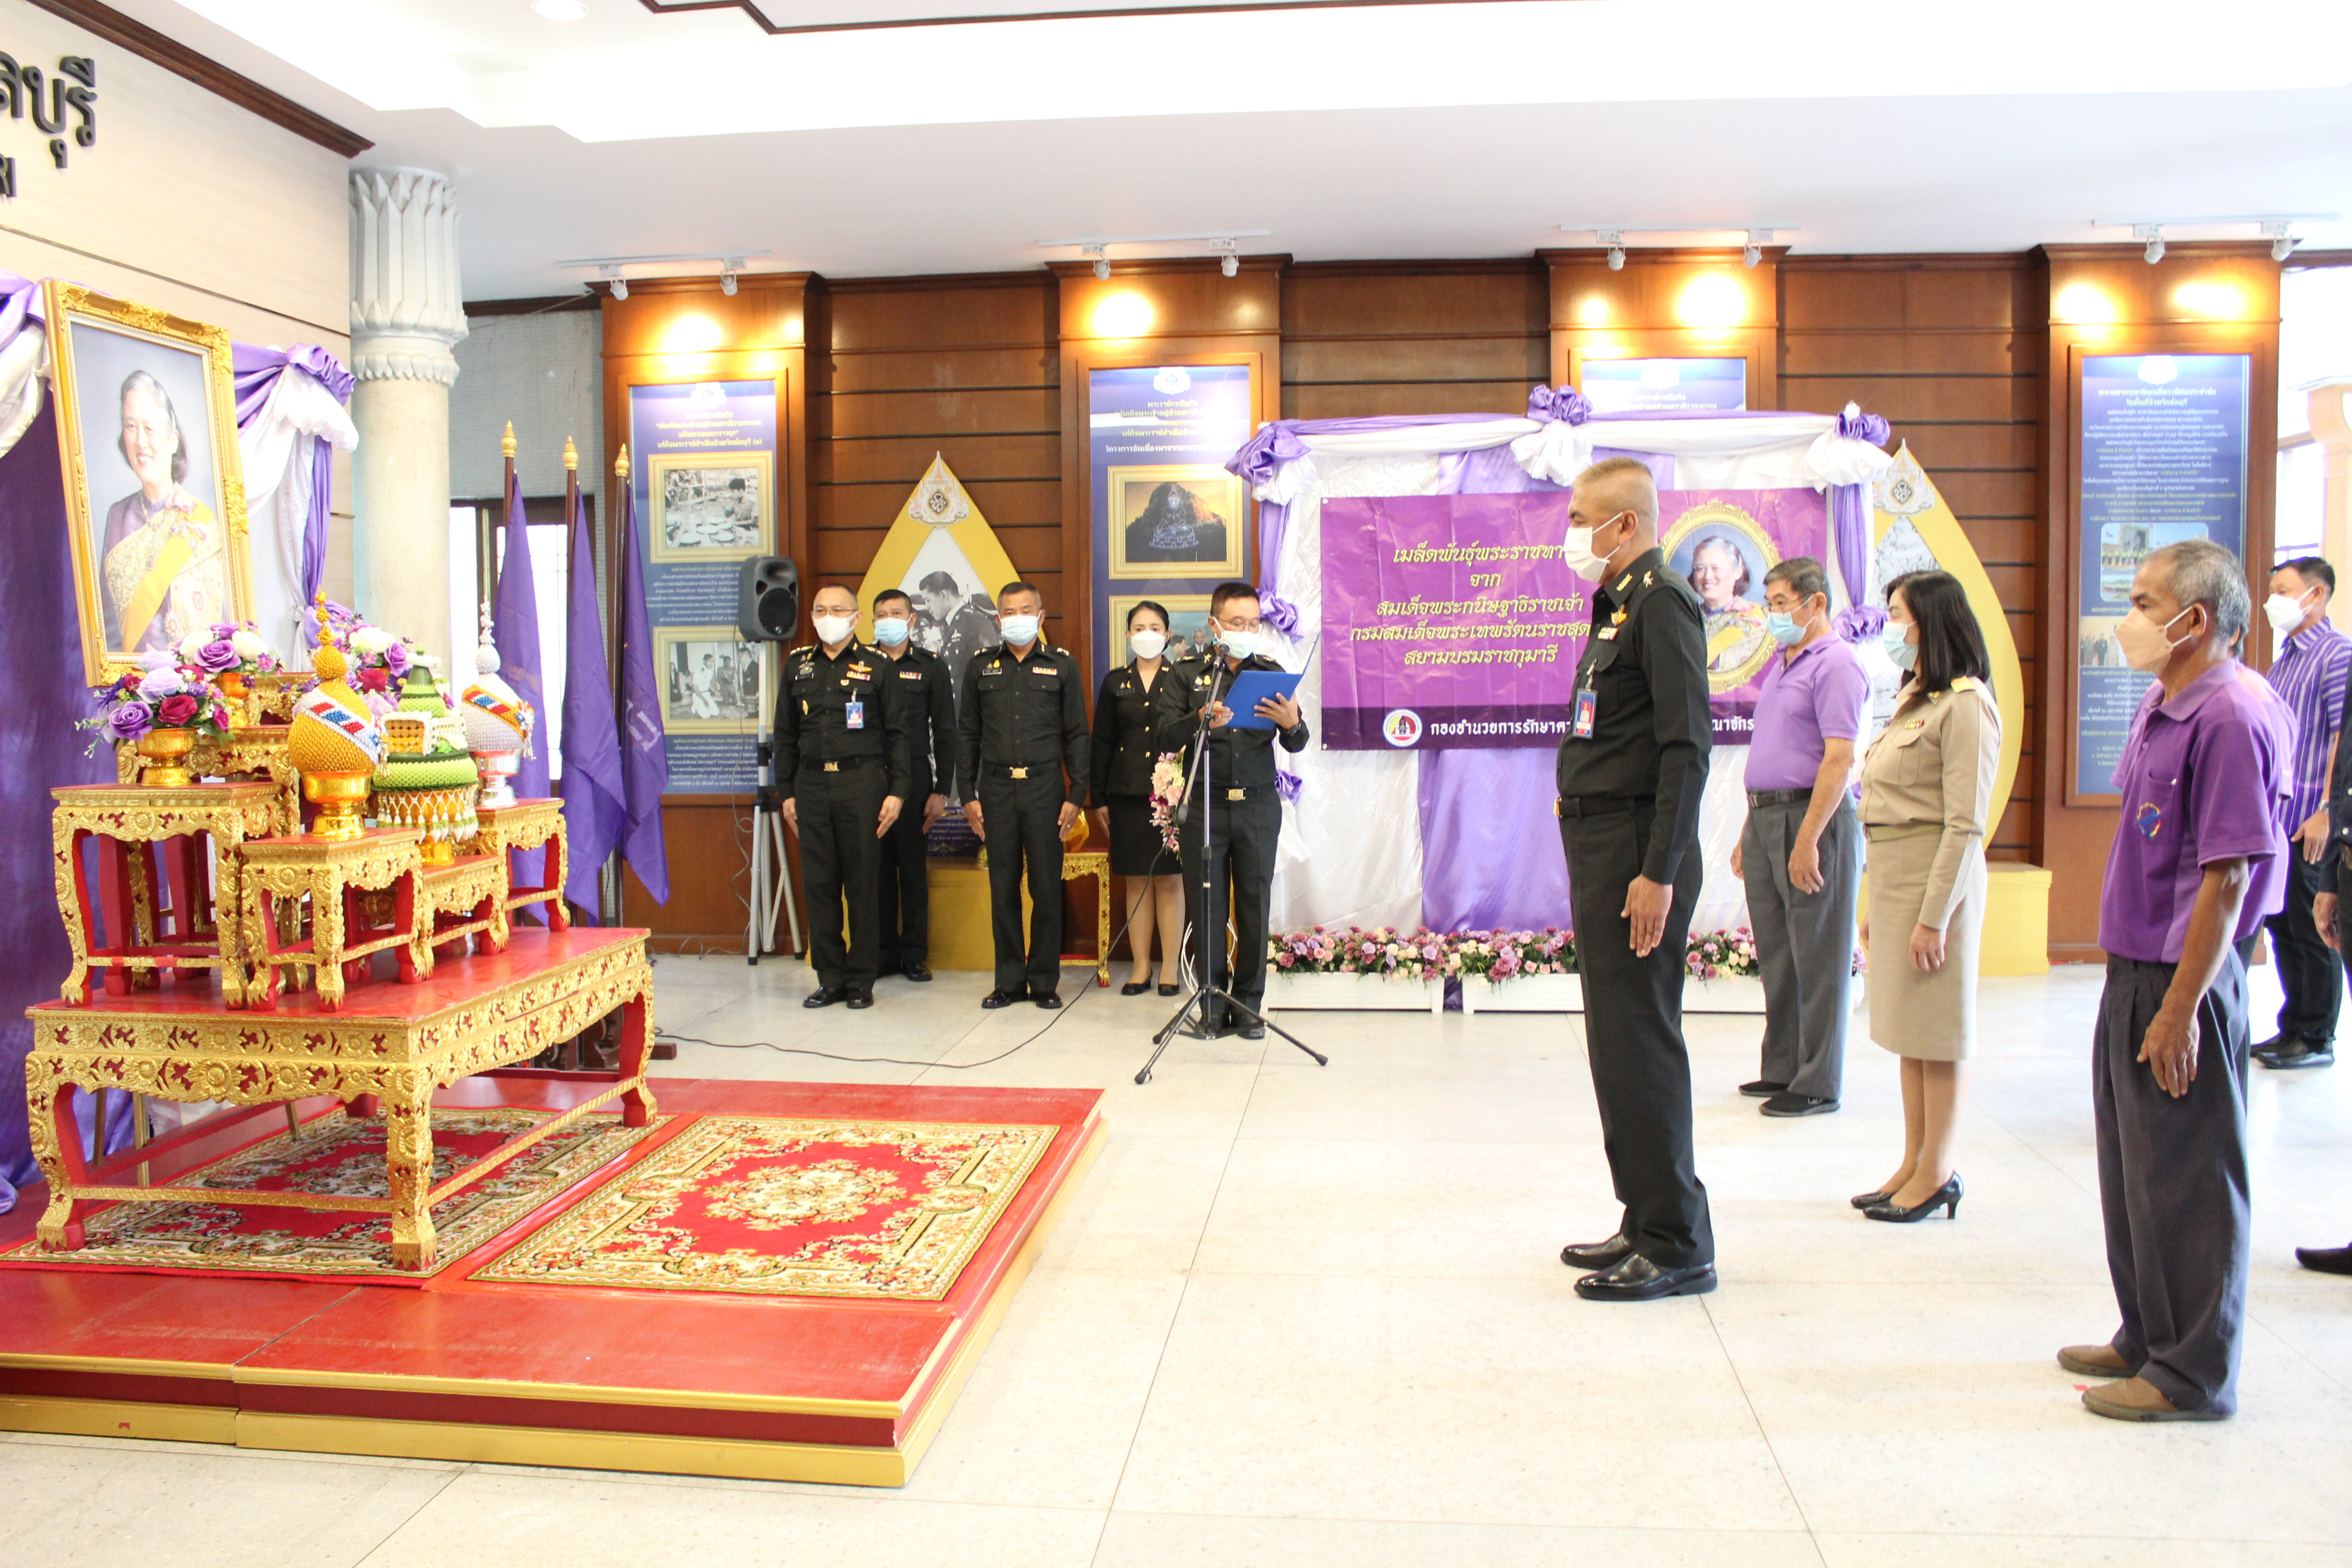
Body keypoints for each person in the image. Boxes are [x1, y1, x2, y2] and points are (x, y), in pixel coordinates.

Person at [2061, 538, 2284, 1423]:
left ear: (2196, 619)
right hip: (2135, 966)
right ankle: (2147, 1333)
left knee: (2189, 1177)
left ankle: (2191, 1375)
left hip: (2179, 976)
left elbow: (2227, 878)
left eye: (2147, 603)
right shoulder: (2170, 699)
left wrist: (2183, 1007)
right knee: (2135, 1168)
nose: (2131, 618)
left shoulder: (2231, 714)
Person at [1550, 457, 1717, 1303]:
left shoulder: (1662, 602)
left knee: (1641, 1038)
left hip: (1633, 854)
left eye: (1581, 518)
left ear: (1624, 525)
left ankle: (1677, 1240)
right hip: (1600, 844)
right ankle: (1643, 1212)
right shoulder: (1614, 604)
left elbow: (1687, 748)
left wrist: (1657, 871)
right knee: (1614, 1041)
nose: (1570, 532)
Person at [1851, 571, 2000, 1222]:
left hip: (1936, 881)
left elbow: (1966, 825)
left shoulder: (1967, 705)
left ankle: (1939, 1171)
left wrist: (1934, 918)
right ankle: (1913, 1161)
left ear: (1931, 624)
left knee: (1939, 1032)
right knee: (1910, 1031)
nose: (1891, 629)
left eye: (1899, 616)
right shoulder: (1919, 699)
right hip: (1893, 872)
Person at [1731, 556, 1867, 1117]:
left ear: (1816, 604)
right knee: (1780, 953)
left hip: (1810, 820)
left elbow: (1838, 759)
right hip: (1766, 819)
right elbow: (1771, 756)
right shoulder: (1786, 664)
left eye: (1783, 603)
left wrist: (1808, 838)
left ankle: (1817, 1080)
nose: (1774, 615)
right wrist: (1748, 831)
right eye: (1770, 604)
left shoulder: (1835, 664)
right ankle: (1783, 1066)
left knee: (1818, 953)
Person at [1149, 581, 1307, 1039]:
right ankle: (1212, 1005)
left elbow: (1298, 742)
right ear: (1215, 625)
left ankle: (1250, 1006)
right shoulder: (1187, 674)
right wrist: (1198, 719)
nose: (1246, 631)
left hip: (1257, 807)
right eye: (1237, 624)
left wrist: (1292, 725)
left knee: (1255, 907)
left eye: (1253, 623)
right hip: (1206, 809)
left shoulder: (1271, 672)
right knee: (1209, 907)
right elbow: (1162, 736)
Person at [775, 584, 910, 1010]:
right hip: (812, 785)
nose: (827, 616)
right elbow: (784, 735)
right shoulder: (798, 666)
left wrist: (898, 792)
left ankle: (860, 981)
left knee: (863, 886)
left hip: (862, 783)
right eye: (819, 609)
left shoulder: (877, 666)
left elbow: (899, 735)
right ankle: (829, 978)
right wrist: (787, 793)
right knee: (819, 885)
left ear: (855, 618)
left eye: (837, 609)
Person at [959, 582, 1087, 1009]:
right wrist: (967, 793)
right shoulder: (980, 666)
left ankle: (1044, 982)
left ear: (1041, 615)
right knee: (1003, 888)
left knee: (1047, 888)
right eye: (1008, 612)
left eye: (1025, 610)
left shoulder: (1062, 665)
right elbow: (968, 735)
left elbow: (1076, 735)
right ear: (998, 620)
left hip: (1046, 788)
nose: (1016, 618)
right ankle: (1009, 982)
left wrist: (1078, 794)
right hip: (994, 789)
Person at [2254, 557, 2348, 1070]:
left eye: (2284, 590)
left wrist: (2327, 813)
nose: (2275, 600)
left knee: (2312, 925)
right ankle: (2294, 1025)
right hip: (2279, 814)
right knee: (2284, 923)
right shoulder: (2286, 657)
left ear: (2316, 595)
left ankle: (2317, 1036)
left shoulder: (2336, 655)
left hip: (2312, 817)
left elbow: (2342, 736)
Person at [1092, 600, 1186, 997]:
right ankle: (1141, 968)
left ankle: (1169, 969)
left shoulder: (1182, 678)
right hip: (1127, 795)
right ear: (1128, 635)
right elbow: (1103, 743)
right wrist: (1098, 798)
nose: (1147, 633)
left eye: (1155, 626)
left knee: (1169, 881)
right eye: (1139, 627)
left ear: (1167, 634)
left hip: (1172, 795)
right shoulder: (1116, 682)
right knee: (1137, 882)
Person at [99, 368, 228, 655]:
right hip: (129, 688)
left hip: (194, 689)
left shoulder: (203, 522)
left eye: (150, 428)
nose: (140, 442)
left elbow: (222, 624)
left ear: (172, 439)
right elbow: (107, 624)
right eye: (131, 426)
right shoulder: (117, 517)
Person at [871, 588, 956, 984]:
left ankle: (914, 955)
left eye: (896, 613)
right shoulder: (862, 664)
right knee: (876, 870)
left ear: (912, 620)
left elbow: (946, 730)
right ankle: (883, 952)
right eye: (882, 614)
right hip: (869, 777)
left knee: (912, 868)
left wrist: (942, 789)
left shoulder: (930, 666)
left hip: (917, 776)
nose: (889, 619)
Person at [1686, 534, 1769, 682]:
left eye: (1716, 568)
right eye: (1700, 569)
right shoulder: (1684, 617)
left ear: (1738, 572)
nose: (1708, 576)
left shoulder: (1757, 619)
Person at [1124, 480, 1230, 569]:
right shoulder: (1166, 510)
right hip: (1168, 530)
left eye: (1176, 500)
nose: (1173, 502)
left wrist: (1178, 527)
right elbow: (1164, 521)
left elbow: (1182, 522)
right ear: (1169, 500)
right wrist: (1163, 526)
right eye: (1172, 500)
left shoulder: (1181, 510)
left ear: (1179, 500)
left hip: (1179, 530)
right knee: (1159, 531)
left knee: (1187, 529)